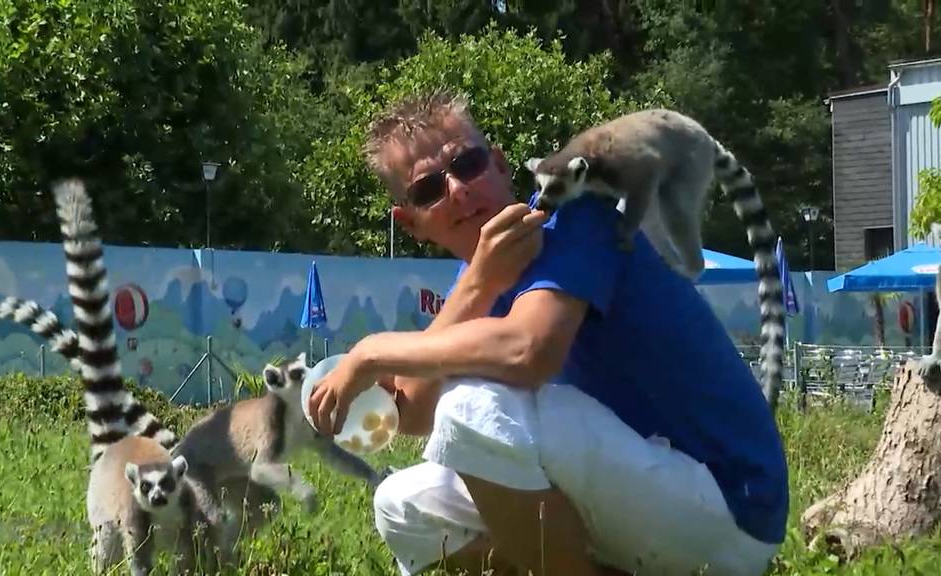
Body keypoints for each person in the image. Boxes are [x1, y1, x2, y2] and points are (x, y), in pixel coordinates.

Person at [307, 89, 789, 576]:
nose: (457, 190)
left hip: (728, 509)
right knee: (400, 504)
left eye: (468, 164)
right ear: (411, 223)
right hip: (642, 494)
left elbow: (529, 351)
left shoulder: (572, 216)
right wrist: (478, 284)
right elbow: (413, 411)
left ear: (499, 165)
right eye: (429, 189)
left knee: (471, 408)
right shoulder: (483, 273)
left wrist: (371, 352)